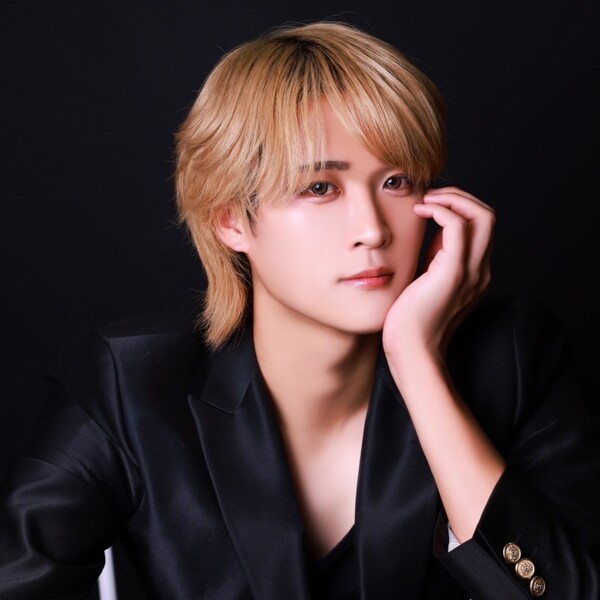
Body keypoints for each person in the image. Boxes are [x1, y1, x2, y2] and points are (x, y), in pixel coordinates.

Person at [1, 21, 599, 600]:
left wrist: (420, 366)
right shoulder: (128, 384)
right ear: (231, 219)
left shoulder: (512, 355)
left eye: (396, 181)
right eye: (319, 188)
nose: (372, 229)